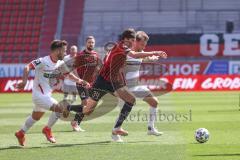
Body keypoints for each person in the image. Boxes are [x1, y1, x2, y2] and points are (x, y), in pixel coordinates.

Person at [63, 28, 167, 142]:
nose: (133, 42)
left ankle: (117, 128)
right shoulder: (122, 47)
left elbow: (134, 58)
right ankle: (67, 107)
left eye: (134, 39)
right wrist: (154, 52)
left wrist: (148, 58)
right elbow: (133, 55)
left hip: (113, 83)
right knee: (88, 111)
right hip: (101, 82)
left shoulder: (125, 49)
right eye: (132, 39)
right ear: (126, 39)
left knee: (130, 100)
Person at [14, 40, 88, 146]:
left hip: (46, 95)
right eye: (64, 51)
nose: (65, 53)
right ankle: (47, 129)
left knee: (36, 116)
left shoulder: (60, 63)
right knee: (60, 108)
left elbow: (68, 74)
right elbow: (27, 67)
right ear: (57, 51)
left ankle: (21, 133)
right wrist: (24, 81)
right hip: (39, 95)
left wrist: (80, 81)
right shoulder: (43, 61)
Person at [124, 31, 167, 136]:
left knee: (154, 102)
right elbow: (135, 56)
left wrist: (150, 59)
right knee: (125, 109)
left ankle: (150, 128)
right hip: (125, 87)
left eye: (145, 45)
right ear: (135, 42)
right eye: (142, 44)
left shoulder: (138, 52)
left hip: (134, 85)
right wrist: (154, 53)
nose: (144, 47)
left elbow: (140, 58)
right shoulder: (128, 52)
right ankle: (116, 129)